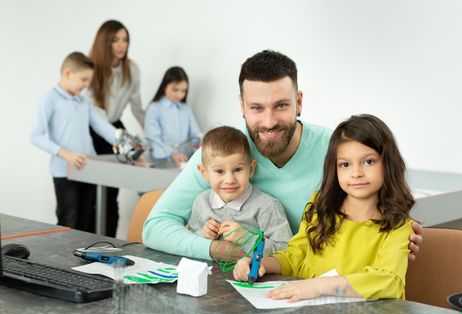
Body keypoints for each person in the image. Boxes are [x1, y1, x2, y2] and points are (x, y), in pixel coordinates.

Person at [143, 50, 423, 261]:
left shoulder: (337, 150)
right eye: (256, 108)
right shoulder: (222, 153)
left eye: (280, 106)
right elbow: (155, 226)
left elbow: (387, 204)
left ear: (299, 102)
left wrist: (396, 233)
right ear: (241, 105)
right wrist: (215, 249)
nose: (268, 121)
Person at [234, 114, 415, 301]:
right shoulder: (320, 207)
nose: (356, 173)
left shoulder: (398, 224)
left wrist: (320, 286)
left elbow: (389, 281)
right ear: (334, 168)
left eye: (368, 162)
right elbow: (295, 257)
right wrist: (261, 264)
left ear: (388, 162)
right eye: (345, 164)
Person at [30, 52, 117, 232]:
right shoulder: (49, 98)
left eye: (88, 81)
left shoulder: (83, 102)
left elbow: (103, 126)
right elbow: (35, 135)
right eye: (83, 79)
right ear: (68, 73)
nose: (86, 85)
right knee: (68, 223)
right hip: (64, 173)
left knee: (85, 225)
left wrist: (127, 143)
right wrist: (65, 153)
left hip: (88, 170)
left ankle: (82, 261)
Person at [187, 126, 292, 257]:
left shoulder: (266, 206)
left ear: (251, 169)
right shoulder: (201, 202)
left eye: (237, 170)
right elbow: (189, 238)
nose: (229, 180)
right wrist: (203, 234)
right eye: (219, 171)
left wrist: (246, 239)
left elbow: (285, 250)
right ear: (204, 173)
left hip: (254, 275)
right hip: (210, 274)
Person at [88, 19, 145, 237]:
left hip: (116, 129)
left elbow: (138, 108)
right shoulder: (92, 69)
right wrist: (118, 138)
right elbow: (95, 115)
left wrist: (155, 137)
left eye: (125, 39)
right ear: (105, 42)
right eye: (115, 40)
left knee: (111, 194)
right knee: (91, 195)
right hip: (93, 132)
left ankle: (108, 240)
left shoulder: (132, 69)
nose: (121, 45)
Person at [144, 66, 202, 166]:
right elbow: (153, 139)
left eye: (183, 91)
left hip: (184, 161)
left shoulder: (186, 109)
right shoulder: (154, 108)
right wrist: (173, 153)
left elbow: (196, 135)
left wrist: (198, 146)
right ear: (165, 86)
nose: (179, 94)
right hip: (161, 161)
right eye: (175, 90)